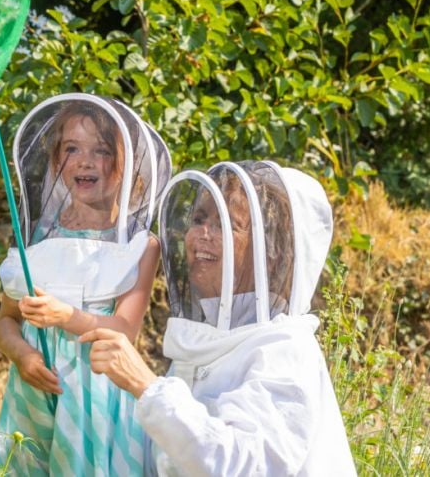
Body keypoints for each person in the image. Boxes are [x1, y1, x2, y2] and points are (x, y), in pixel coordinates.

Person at [80, 161, 357, 476]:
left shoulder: (285, 351)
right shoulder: (199, 343)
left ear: (273, 251)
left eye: (226, 224)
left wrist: (145, 386)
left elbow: (245, 466)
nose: (201, 234)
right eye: (199, 219)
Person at [0, 94, 172, 475]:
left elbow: (125, 330)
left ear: (125, 166)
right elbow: (5, 320)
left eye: (101, 151)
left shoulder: (138, 244)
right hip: (34, 393)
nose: (85, 161)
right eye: (71, 148)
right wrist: (22, 355)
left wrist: (65, 316)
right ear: (56, 161)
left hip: (97, 398)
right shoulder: (36, 236)